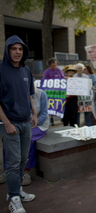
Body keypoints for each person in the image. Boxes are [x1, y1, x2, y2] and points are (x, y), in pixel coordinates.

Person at [0, 35, 37, 213]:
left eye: (20, 49)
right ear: (8, 50)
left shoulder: (25, 70)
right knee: (13, 162)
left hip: (25, 122)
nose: (17, 52)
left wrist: (34, 113)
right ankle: (13, 197)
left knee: (23, 159)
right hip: (9, 124)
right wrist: (6, 123)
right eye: (14, 49)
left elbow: (29, 93)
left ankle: (17, 190)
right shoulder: (1, 70)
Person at [1, 86, 50, 186]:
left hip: (39, 125)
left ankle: (26, 172)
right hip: (21, 124)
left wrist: (32, 124)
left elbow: (44, 113)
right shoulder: (16, 94)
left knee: (29, 139)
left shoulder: (41, 94)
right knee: (8, 139)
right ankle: (7, 171)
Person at [42, 57, 64, 126]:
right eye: (53, 65)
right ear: (50, 65)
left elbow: (62, 78)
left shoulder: (58, 70)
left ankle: (61, 116)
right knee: (52, 104)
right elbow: (45, 82)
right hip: (51, 91)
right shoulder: (46, 72)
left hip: (59, 90)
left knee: (60, 103)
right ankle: (51, 119)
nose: (54, 66)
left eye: (55, 65)